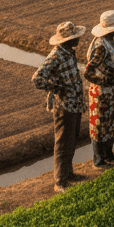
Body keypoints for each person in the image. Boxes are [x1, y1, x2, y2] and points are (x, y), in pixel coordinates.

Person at [32, 20, 87, 192]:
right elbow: (37, 78)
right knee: (63, 141)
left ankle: (68, 173)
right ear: (67, 40)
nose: (78, 40)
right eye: (75, 37)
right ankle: (59, 181)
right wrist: (57, 89)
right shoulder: (56, 56)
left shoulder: (69, 52)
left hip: (74, 103)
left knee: (71, 138)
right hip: (64, 104)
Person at [83, 10, 114, 169]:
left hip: (112, 93)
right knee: (100, 125)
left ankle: (108, 154)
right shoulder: (101, 46)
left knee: (111, 122)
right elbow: (88, 71)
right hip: (102, 94)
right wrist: (104, 81)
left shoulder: (107, 41)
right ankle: (99, 160)